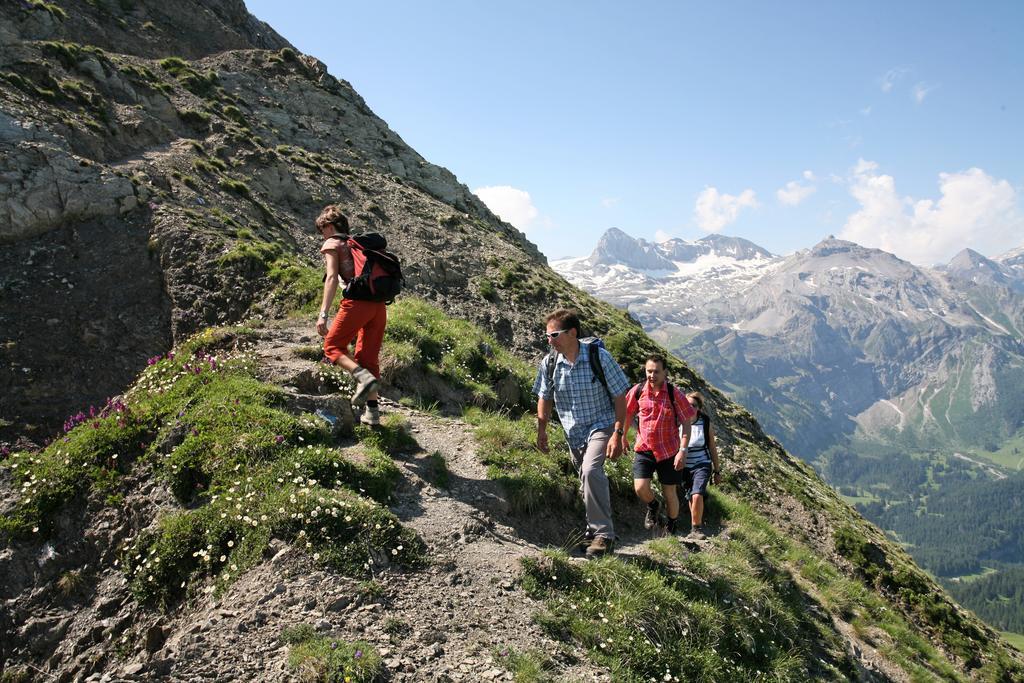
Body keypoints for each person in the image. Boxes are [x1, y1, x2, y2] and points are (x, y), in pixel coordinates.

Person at [533, 309, 630, 557]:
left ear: (573, 333)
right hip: (572, 433)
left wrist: (618, 433)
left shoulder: (599, 357)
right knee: (586, 479)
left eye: (554, 334)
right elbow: (544, 397)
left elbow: (621, 396)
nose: (549, 340)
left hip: (602, 424)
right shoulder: (550, 363)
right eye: (547, 335)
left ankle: (604, 536)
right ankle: (593, 533)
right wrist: (542, 431)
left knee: (590, 470)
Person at [314, 204, 384, 426]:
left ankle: (362, 378)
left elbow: (332, 278)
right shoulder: (358, 244)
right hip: (379, 306)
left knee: (332, 347)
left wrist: (323, 314)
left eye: (322, 229)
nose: (321, 234)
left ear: (330, 226)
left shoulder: (333, 242)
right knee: (367, 358)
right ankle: (372, 415)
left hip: (357, 304)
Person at [621, 354, 696, 534]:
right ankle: (653, 505)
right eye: (649, 371)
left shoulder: (674, 393)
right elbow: (627, 412)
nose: (652, 375)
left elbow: (687, 422)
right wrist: (622, 436)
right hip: (644, 448)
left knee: (670, 491)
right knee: (640, 487)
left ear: (665, 373)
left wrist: (682, 451)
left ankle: (671, 526)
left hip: (669, 450)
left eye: (656, 372)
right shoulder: (638, 390)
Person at [681, 391, 721, 539]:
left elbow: (712, 447)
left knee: (697, 495)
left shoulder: (704, 422)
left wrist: (717, 471)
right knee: (691, 496)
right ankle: (694, 527)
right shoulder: (677, 419)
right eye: (687, 404)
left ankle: (696, 529)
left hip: (702, 464)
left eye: (694, 405)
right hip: (683, 467)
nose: (690, 408)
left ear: (699, 407)